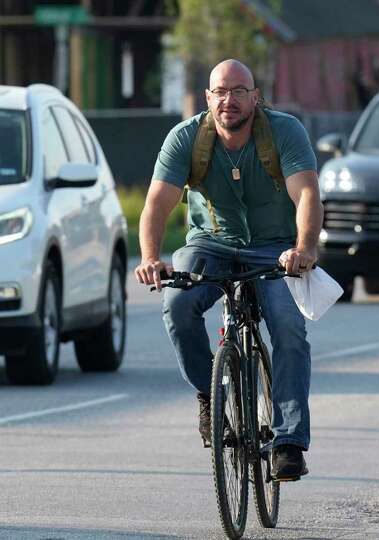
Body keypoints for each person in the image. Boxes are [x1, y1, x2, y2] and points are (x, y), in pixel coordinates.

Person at [134, 59, 322, 481]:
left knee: (289, 329)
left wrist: (304, 248)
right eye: (220, 92)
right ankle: (210, 392)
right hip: (209, 245)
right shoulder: (186, 138)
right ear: (208, 97)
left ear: (256, 97)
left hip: (274, 250)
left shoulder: (283, 131)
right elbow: (157, 204)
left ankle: (289, 441)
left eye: (239, 91)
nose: (229, 101)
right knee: (177, 304)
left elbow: (307, 193)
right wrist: (150, 257)